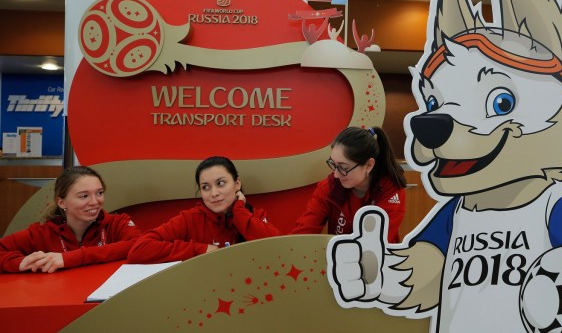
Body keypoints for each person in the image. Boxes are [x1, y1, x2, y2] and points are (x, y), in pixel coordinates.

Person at [127, 156, 281, 264]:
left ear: (237, 184)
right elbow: (139, 249)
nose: (214, 193)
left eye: (220, 183)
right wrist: (200, 249)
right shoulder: (191, 218)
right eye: (205, 187)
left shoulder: (253, 215)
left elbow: (279, 249)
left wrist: (239, 210)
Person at [0, 166, 141, 273]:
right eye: (84, 196)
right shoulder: (41, 233)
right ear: (61, 202)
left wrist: (68, 258)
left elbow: (137, 245)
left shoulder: (117, 223)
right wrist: (20, 262)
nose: (95, 202)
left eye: (99, 193)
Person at [291, 126, 407, 243]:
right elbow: (302, 235)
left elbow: (373, 244)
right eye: (334, 164)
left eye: (343, 167)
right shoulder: (329, 186)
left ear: (369, 165)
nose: (336, 174)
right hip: (337, 258)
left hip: (378, 259)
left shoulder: (391, 189)